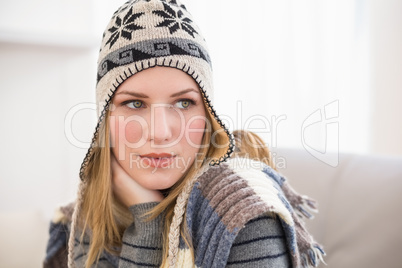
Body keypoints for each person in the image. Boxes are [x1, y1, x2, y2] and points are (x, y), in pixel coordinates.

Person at [44, 0, 325, 267]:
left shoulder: (243, 216)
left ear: (208, 114)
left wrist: (147, 225)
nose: (161, 132)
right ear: (105, 117)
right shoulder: (81, 223)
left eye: (183, 103)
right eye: (135, 104)